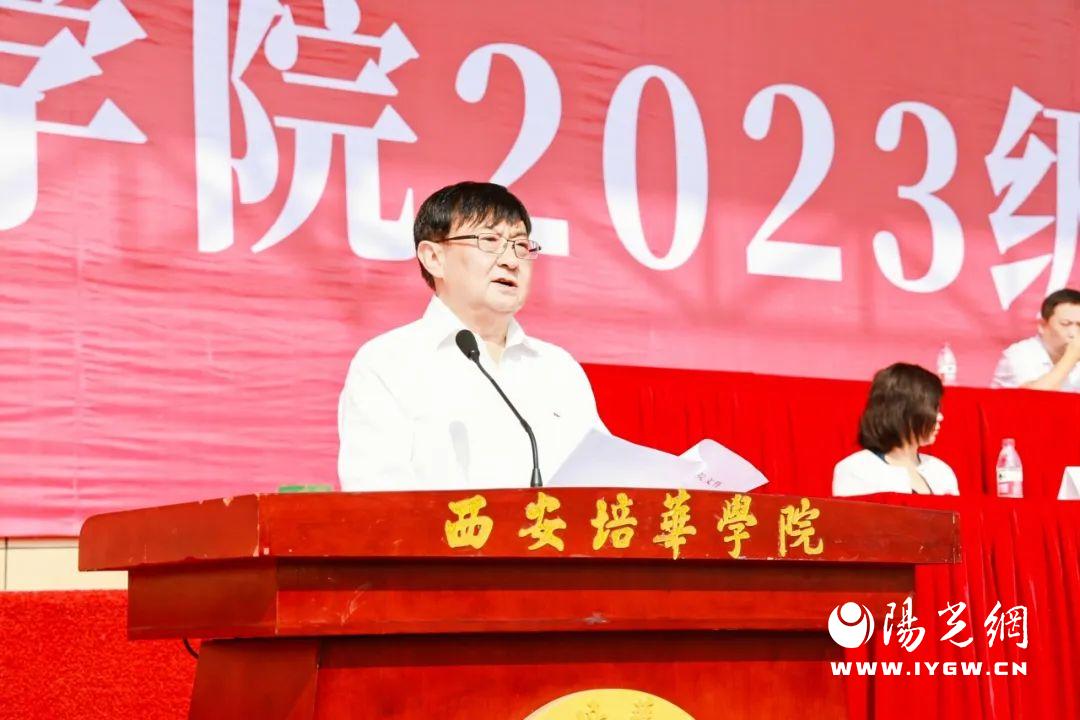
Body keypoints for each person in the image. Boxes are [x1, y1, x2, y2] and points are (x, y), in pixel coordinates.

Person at [337, 181, 606, 491]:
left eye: (521, 245)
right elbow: (375, 497)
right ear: (434, 258)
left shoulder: (558, 367)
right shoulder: (387, 363)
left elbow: (606, 477)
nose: (511, 260)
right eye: (490, 240)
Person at [833, 363, 959, 497]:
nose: (939, 417)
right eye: (932, 409)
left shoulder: (941, 471)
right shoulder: (856, 469)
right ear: (902, 412)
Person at [992, 288, 1080, 392]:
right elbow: (1034, 396)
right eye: (1065, 324)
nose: (1073, 333)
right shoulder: (1020, 353)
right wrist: (1070, 357)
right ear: (1042, 326)